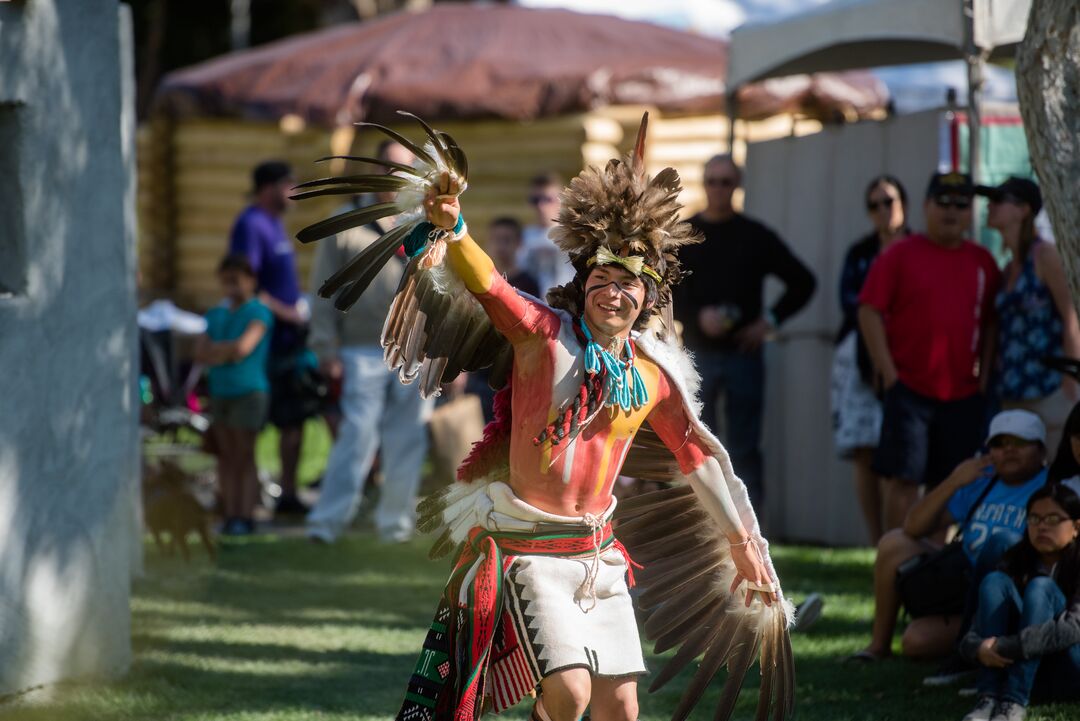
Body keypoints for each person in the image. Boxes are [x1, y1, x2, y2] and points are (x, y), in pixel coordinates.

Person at [297, 114, 793, 721]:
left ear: (649, 300)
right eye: (602, 280)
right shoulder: (543, 338)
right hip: (528, 547)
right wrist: (453, 229)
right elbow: (489, 287)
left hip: (598, 556)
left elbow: (696, 457)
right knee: (569, 694)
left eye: (629, 286)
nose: (614, 293)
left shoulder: (652, 378)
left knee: (621, 711)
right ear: (583, 287)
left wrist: (745, 549)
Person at [859, 171, 1003, 532]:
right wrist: (890, 374)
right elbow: (868, 311)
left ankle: (933, 566)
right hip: (909, 390)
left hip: (963, 395)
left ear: (971, 212)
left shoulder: (983, 261)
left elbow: (990, 324)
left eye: (961, 204)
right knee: (903, 481)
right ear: (925, 206)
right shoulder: (899, 255)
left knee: (949, 483)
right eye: (943, 202)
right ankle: (894, 563)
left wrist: (983, 376)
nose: (951, 211)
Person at [305, 141, 433, 545]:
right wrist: (325, 347)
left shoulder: (427, 224)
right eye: (386, 168)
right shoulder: (346, 222)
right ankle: (327, 524)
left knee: (408, 438)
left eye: (401, 169)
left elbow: (445, 292)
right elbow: (321, 291)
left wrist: (447, 351)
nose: (392, 177)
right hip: (360, 348)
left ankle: (394, 527)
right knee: (357, 436)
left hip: (415, 350)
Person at [673, 154, 816, 509]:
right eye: (712, 181)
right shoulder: (685, 237)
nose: (719, 189)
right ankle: (700, 527)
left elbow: (803, 282)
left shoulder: (755, 236)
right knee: (695, 445)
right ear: (703, 184)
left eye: (726, 182)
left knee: (744, 448)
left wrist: (768, 322)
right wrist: (694, 317)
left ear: (738, 186)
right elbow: (662, 291)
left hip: (743, 354)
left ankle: (752, 532)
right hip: (696, 356)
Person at [852, 410, 1048, 662]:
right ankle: (878, 646)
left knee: (917, 641)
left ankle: (985, 647)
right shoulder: (981, 482)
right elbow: (913, 527)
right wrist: (954, 481)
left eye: (1020, 442)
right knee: (894, 544)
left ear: (1042, 451)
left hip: (1009, 594)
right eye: (999, 443)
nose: (1009, 450)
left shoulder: (1050, 487)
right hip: (964, 585)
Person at [228, 159, 311, 515]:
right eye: (288, 184)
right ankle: (241, 501)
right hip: (266, 343)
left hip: (289, 342)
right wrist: (288, 313)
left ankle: (288, 494)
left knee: (293, 419)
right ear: (268, 188)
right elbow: (247, 285)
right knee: (255, 422)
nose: (293, 191)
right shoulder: (251, 225)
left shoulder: (275, 225)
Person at [958, 483, 1080, 721]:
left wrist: (1007, 646)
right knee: (994, 581)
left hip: (1070, 668)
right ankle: (988, 697)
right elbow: (974, 631)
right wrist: (978, 648)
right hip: (1026, 667)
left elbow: (1074, 627)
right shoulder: (1017, 558)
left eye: (1053, 519)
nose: (1042, 525)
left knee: (1040, 587)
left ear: (1076, 527)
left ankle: (1013, 702)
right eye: (1034, 518)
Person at [832, 175, 910, 545]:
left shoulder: (917, 249)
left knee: (902, 448)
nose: (883, 210)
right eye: (875, 204)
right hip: (860, 357)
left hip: (909, 356)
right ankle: (875, 538)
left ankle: (902, 535)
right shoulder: (861, 252)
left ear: (904, 205)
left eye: (889, 201)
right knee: (865, 449)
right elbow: (852, 301)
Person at [981, 176, 1080, 452]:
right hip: (1012, 391)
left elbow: (1071, 316)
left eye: (999, 200)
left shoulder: (1046, 256)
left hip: (1051, 390)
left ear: (1023, 210)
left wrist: (1071, 379)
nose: (990, 206)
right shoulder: (1009, 267)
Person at [195, 255, 273, 536]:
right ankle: (230, 513)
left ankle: (245, 513)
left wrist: (220, 351)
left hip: (248, 391)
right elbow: (201, 352)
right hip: (221, 391)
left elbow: (243, 348)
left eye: (236, 279)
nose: (231, 286)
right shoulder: (216, 314)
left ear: (251, 280)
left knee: (244, 455)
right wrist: (225, 352)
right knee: (225, 456)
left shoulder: (259, 312)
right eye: (226, 280)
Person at [466, 217, 541, 421]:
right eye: (497, 239)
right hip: (480, 373)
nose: (501, 246)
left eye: (507, 240)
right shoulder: (481, 283)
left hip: (514, 373)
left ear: (519, 244)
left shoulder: (530, 284)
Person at [520, 171, 574, 297]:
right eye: (535, 200)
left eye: (548, 199)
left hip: (569, 307)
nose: (541, 206)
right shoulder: (521, 237)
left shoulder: (575, 236)